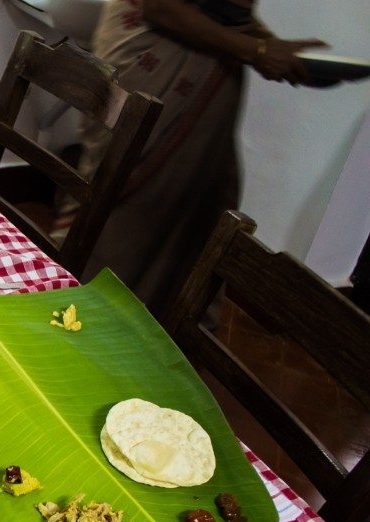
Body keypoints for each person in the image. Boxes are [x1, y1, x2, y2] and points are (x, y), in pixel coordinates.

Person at [54, 0, 326, 316]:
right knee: (124, 224)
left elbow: (222, 12)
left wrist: (275, 49)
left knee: (196, 223)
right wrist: (259, 51)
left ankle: (153, 342)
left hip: (202, 89)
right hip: (155, 73)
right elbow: (163, 7)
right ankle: (83, 329)